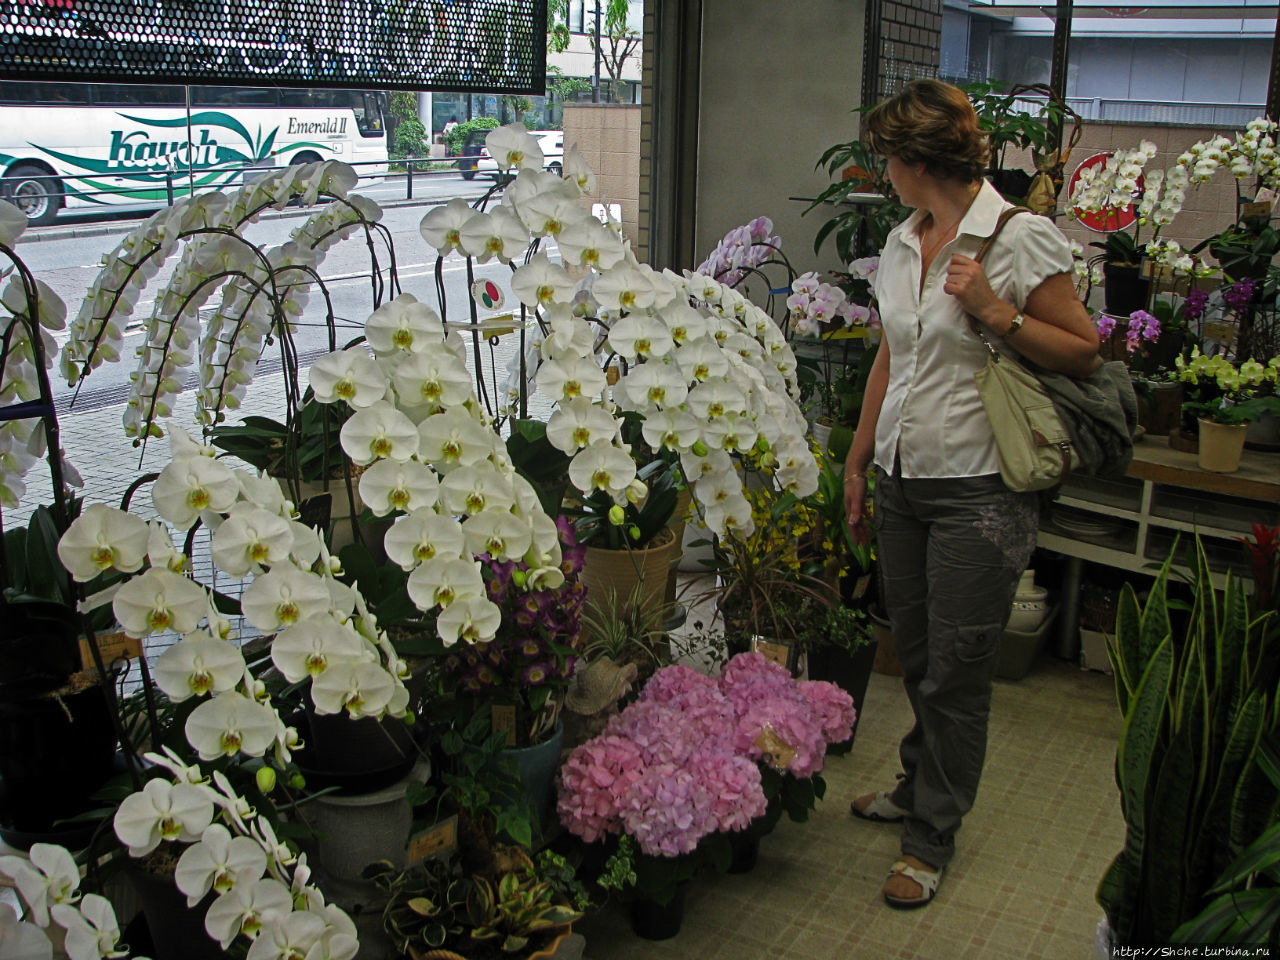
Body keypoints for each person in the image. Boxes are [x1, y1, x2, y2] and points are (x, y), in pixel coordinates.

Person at [842, 79, 1100, 910]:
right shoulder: (901, 239)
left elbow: (1084, 352)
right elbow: (892, 355)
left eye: (887, 158)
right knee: (917, 655)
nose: (881, 171)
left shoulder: (1019, 239)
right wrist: (856, 460)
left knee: (957, 669)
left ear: (918, 162)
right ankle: (919, 788)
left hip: (978, 489)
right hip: (901, 479)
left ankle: (929, 839)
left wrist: (994, 310)